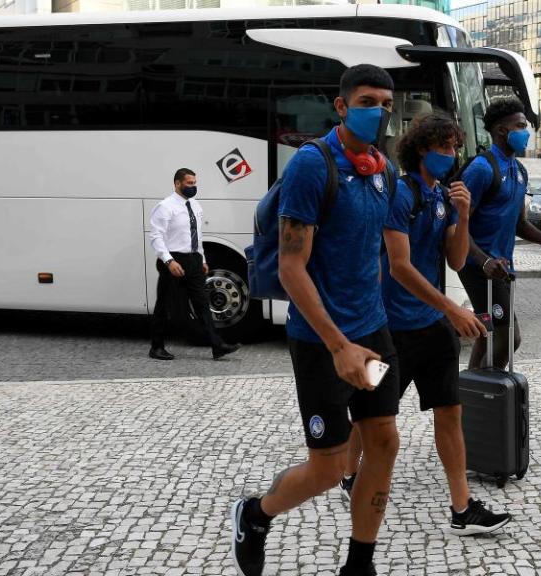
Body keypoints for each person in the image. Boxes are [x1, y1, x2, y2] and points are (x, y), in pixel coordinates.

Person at [229, 64, 401, 576]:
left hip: (372, 333)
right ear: (342, 105)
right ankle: (256, 514)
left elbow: (374, 251)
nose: (380, 111)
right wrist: (338, 344)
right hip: (322, 342)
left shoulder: (381, 169)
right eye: (369, 101)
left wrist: (371, 321)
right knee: (328, 468)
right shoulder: (312, 164)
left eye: (388, 104)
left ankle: (359, 564)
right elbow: (290, 266)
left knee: (385, 443)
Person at [339, 111, 511, 535]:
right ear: (421, 149)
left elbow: (454, 260)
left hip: (432, 328)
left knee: (449, 413)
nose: (452, 155)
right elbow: (398, 267)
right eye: (445, 148)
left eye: (455, 147)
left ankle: (462, 508)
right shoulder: (400, 194)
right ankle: (348, 474)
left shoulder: (441, 196)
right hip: (388, 329)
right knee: (373, 414)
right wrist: (454, 308)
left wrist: (464, 215)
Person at [458, 98, 541, 370]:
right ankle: (487, 392)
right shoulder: (482, 169)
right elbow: (457, 227)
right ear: (501, 131)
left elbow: (519, 224)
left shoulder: (519, 171)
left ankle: (471, 395)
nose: (526, 133)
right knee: (510, 338)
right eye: (520, 126)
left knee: (486, 334)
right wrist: (484, 261)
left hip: (501, 268)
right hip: (479, 268)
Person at [147, 168, 240, 361]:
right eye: (189, 183)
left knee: (202, 303)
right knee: (164, 305)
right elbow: (156, 236)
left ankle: (217, 346)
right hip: (173, 259)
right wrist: (168, 260)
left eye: (195, 183)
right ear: (177, 184)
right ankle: (156, 347)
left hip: (194, 260)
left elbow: (197, 236)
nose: (193, 187)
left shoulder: (195, 206)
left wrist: (202, 259)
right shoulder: (165, 206)